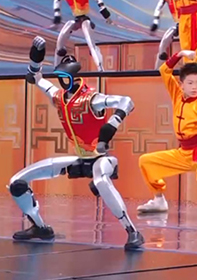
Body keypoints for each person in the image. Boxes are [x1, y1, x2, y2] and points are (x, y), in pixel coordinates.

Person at [10, 37, 143, 249]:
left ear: (73, 77)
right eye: (60, 78)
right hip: (79, 158)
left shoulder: (91, 99)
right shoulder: (58, 97)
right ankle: (40, 227)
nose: (62, 81)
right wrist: (36, 57)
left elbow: (126, 101)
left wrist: (112, 124)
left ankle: (132, 231)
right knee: (17, 182)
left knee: (101, 182)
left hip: (101, 158)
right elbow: (35, 78)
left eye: (65, 77)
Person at [137, 50, 197, 218]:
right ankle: (159, 199)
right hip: (183, 152)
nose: (194, 87)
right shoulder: (177, 95)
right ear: (182, 84)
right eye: (190, 83)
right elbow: (164, 71)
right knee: (146, 161)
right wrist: (180, 54)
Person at [53, 0, 112, 71]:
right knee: (60, 40)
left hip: (85, 18)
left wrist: (104, 11)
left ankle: (100, 68)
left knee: (90, 43)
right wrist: (57, 14)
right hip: (75, 18)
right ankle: (56, 68)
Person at [151, 0, 179, 68]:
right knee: (163, 46)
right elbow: (158, 8)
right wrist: (155, 21)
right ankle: (157, 70)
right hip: (178, 24)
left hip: (188, 23)